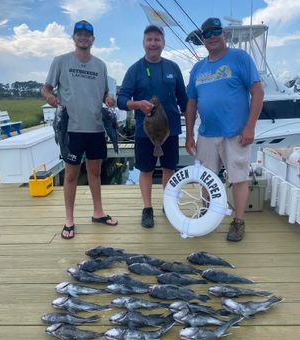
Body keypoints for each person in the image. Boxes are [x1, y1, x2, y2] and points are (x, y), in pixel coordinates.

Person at [185, 17, 264, 241]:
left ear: (224, 34)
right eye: (206, 33)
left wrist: (250, 127)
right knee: (205, 179)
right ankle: (207, 214)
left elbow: (257, 92)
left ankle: (238, 222)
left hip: (236, 134)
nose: (211, 36)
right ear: (202, 39)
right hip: (206, 135)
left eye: (215, 31)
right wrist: (189, 134)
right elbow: (191, 102)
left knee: (238, 178)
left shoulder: (240, 58)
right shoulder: (198, 68)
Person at [42, 20, 118, 239]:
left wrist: (109, 99)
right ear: (74, 37)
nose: (83, 37)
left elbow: (104, 94)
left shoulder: (100, 65)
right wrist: (50, 97)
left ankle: (98, 212)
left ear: (93, 39)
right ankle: (69, 219)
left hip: (96, 128)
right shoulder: (61, 61)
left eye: (87, 34)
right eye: (80, 34)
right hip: (70, 129)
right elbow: (46, 88)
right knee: (72, 175)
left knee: (95, 172)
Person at [117, 24, 187, 228]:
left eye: (157, 39)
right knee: (146, 170)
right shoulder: (134, 69)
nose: (153, 43)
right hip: (144, 130)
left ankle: (168, 203)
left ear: (163, 43)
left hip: (169, 129)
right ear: (143, 43)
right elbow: (122, 99)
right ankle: (147, 209)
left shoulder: (173, 68)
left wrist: (192, 119)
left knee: (169, 168)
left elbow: (183, 98)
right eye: (149, 40)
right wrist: (137, 104)